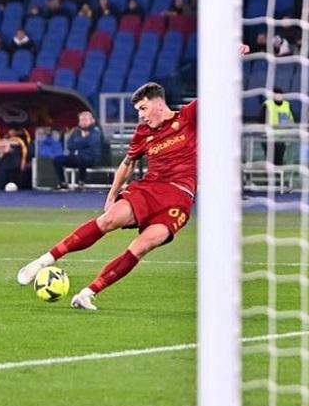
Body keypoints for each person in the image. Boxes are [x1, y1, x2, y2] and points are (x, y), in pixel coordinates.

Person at [16, 82, 198, 310]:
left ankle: (88, 293)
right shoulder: (143, 132)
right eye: (138, 111)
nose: (141, 116)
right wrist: (112, 194)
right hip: (149, 189)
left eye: (143, 108)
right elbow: (128, 163)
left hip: (178, 198)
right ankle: (42, 261)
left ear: (159, 104)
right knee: (107, 220)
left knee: (141, 247)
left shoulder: (189, 117)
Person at [54, 111, 103, 189]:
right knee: (57, 160)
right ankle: (63, 183)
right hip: (76, 157)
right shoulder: (76, 131)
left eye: (85, 120)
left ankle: (81, 182)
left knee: (82, 159)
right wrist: (83, 142)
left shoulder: (96, 131)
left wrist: (78, 143)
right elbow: (69, 145)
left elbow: (90, 142)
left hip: (90, 158)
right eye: (81, 120)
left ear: (92, 120)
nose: (83, 122)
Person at [260, 87, 295, 165]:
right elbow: (261, 121)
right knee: (270, 161)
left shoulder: (287, 105)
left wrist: (288, 127)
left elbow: (291, 121)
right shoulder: (267, 105)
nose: (278, 97)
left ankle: (278, 176)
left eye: (280, 95)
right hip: (269, 138)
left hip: (281, 139)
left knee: (279, 161)